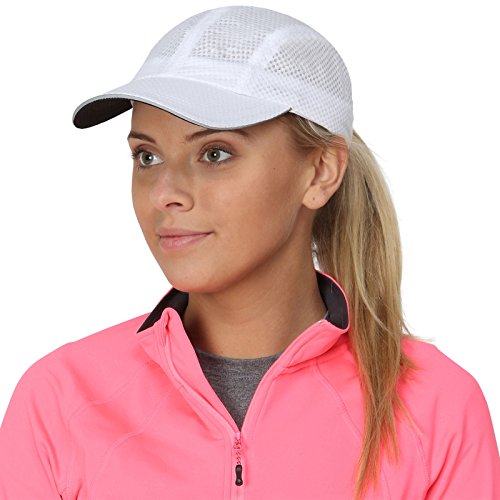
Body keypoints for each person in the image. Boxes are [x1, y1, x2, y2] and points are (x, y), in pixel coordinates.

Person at [0, 5, 498, 499]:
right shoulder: (61, 400)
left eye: (215, 153)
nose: (164, 193)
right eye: (146, 156)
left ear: (320, 171)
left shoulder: (435, 408)